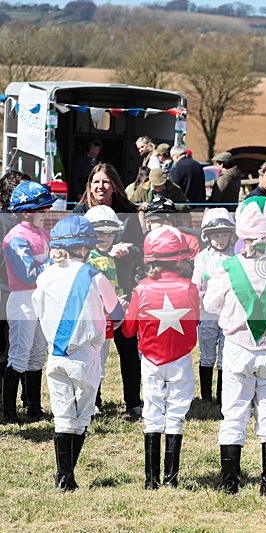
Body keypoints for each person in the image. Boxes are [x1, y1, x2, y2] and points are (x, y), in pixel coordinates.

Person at [203, 196, 266, 497]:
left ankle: (230, 483)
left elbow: (210, 303)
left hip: (238, 349)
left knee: (234, 416)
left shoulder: (228, 267)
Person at [32, 215, 124, 491]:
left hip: (55, 355)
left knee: (61, 417)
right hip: (86, 356)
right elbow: (117, 312)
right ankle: (69, 475)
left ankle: (62, 476)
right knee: (81, 417)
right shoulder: (93, 275)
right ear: (85, 247)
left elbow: (38, 310)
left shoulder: (46, 275)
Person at [123, 226, 199, 490]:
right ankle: (171, 478)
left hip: (150, 358)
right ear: (181, 259)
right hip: (180, 358)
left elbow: (128, 330)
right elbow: (195, 322)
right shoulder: (190, 288)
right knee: (176, 413)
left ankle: (150, 480)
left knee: (152, 410)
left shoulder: (142, 288)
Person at [73, 163, 146, 419]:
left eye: (105, 182)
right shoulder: (80, 213)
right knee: (94, 350)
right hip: (92, 293)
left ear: (114, 185)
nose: (100, 187)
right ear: (89, 185)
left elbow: (143, 250)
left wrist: (130, 250)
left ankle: (133, 403)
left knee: (128, 349)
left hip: (123, 291)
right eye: (96, 182)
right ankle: (95, 400)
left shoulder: (128, 212)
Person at [2, 181, 57, 423]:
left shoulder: (44, 234)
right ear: (26, 212)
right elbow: (27, 274)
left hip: (41, 299)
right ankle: (9, 412)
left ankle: (33, 406)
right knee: (19, 355)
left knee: (37, 353)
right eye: (42, 210)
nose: (47, 214)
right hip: (23, 299)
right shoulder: (15, 238)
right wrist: (54, 262)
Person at [84, 205, 126, 411]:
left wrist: (119, 299)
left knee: (101, 360)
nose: (105, 238)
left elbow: (113, 286)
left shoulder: (109, 258)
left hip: (107, 317)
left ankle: (95, 400)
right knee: (92, 359)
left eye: (110, 234)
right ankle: (90, 401)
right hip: (93, 316)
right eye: (99, 234)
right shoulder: (88, 258)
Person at [192, 208, 235, 404]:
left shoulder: (236, 257)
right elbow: (196, 285)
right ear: (207, 236)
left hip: (229, 313)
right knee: (207, 352)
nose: (220, 239)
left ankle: (223, 394)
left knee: (226, 354)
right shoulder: (202, 258)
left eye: (224, 234)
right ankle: (206, 395)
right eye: (215, 235)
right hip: (208, 313)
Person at [0, 171, 26, 412]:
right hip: (5, 293)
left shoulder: (20, 223)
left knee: (16, 350)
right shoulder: (6, 223)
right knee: (6, 352)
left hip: (14, 294)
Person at [69, 139, 103, 204]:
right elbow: (75, 178)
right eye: (93, 149)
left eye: (97, 150)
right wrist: (78, 193)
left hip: (95, 192)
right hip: (82, 191)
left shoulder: (101, 161)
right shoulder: (80, 160)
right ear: (89, 148)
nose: (94, 152)